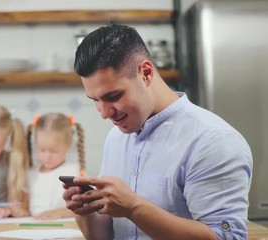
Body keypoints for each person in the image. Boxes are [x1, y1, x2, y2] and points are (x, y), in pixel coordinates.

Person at [62, 23, 253, 240]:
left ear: (145, 72)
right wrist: (86, 211)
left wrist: (134, 208)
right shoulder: (115, 138)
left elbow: (227, 238)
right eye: (95, 100)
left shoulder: (213, 142)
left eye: (113, 97)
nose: (104, 113)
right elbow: (105, 236)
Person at [26, 113, 85, 219]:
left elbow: (87, 207)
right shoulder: (30, 174)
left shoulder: (74, 172)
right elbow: (28, 210)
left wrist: (62, 212)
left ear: (68, 144)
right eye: (42, 150)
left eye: (54, 151)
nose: (47, 156)